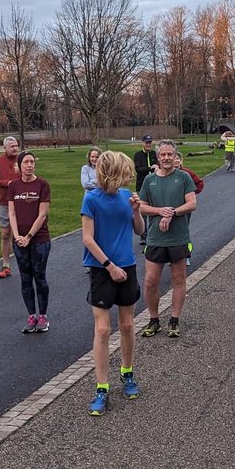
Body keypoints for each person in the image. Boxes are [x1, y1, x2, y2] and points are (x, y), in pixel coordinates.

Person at [82, 151, 146, 416]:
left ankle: (127, 373)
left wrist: (136, 211)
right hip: (102, 269)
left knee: (128, 324)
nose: (128, 177)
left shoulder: (126, 196)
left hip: (127, 266)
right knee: (103, 330)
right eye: (124, 172)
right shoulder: (91, 199)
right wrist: (109, 266)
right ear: (112, 172)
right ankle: (101, 386)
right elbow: (87, 238)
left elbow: (139, 230)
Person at [138, 140, 197, 338]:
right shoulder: (149, 180)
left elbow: (191, 204)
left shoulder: (184, 178)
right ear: (158, 157)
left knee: (178, 279)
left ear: (175, 155)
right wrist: (159, 211)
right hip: (155, 238)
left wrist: (172, 213)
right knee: (150, 281)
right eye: (163, 155)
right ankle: (153, 319)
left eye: (170, 154)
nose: (166, 158)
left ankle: (174, 320)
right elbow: (142, 207)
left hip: (178, 237)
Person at [9, 151, 53, 333]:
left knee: (39, 276)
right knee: (25, 278)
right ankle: (31, 315)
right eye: (26, 162)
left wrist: (29, 237)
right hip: (19, 241)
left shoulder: (42, 185)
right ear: (19, 165)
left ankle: (42, 315)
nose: (29, 165)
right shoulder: (14, 186)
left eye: (32, 162)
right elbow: (11, 213)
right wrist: (18, 235)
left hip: (39, 240)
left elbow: (42, 214)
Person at [0, 136, 21, 278]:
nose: (15, 148)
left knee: (20, 234)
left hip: (21, 201)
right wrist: (7, 183)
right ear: (5, 148)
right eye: (12, 146)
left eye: (16, 146)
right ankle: (6, 265)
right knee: (5, 234)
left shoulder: (21, 159)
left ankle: (24, 263)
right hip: (4, 202)